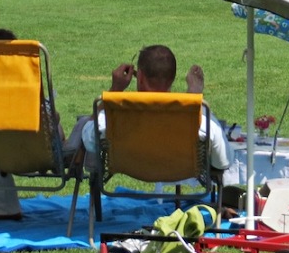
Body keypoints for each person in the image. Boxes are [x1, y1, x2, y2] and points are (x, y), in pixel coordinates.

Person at [79, 45, 230, 171]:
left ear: (141, 77)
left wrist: (114, 90)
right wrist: (195, 98)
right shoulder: (197, 119)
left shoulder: (117, 116)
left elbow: (88, 139)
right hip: (179, 170)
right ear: (172, 77)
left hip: (130, 168)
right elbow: (222, 161)